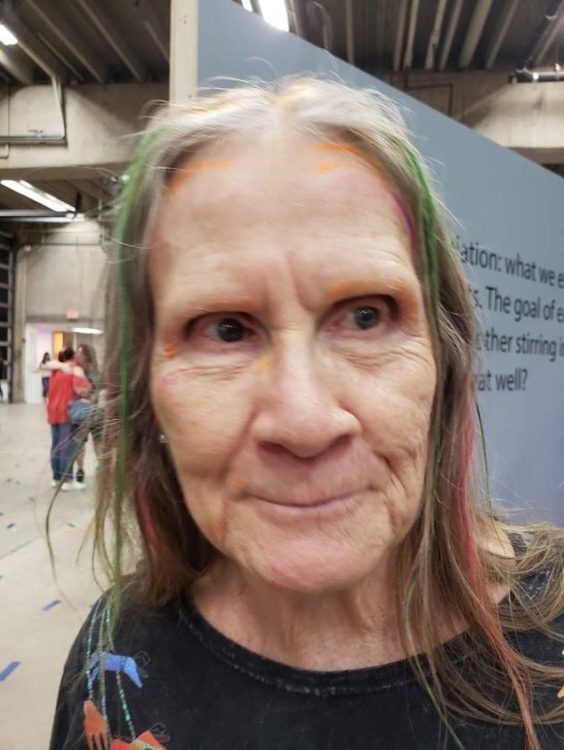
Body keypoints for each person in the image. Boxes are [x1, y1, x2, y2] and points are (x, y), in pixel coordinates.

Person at [50, 79, 564, 750]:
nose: (305, 422)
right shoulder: (113, 659)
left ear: (446, 358)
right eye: (226, 329)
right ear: (146, 388)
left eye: (366, 316)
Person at [42, 346, 91, 490]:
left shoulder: (56, 371)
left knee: (56, 445)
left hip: (53, 411)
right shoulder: (75, 370)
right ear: (74, 357)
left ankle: (56, 478)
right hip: (67, 412)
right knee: (67, 446)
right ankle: (67, 480)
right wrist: (88, 389)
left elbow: (44, 366)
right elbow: (80, 389)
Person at [71, 343, 102, 488]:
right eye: (77, 353)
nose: (77, 356)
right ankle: (80, 470)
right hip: (80, 413)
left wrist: (90, 393)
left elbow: (101, 389)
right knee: (79, 443)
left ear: (87, 355)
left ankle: (102, 468)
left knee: (99, 441)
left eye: (80, 353)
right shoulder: (75, 370)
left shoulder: (97, 371)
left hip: (96, 413)